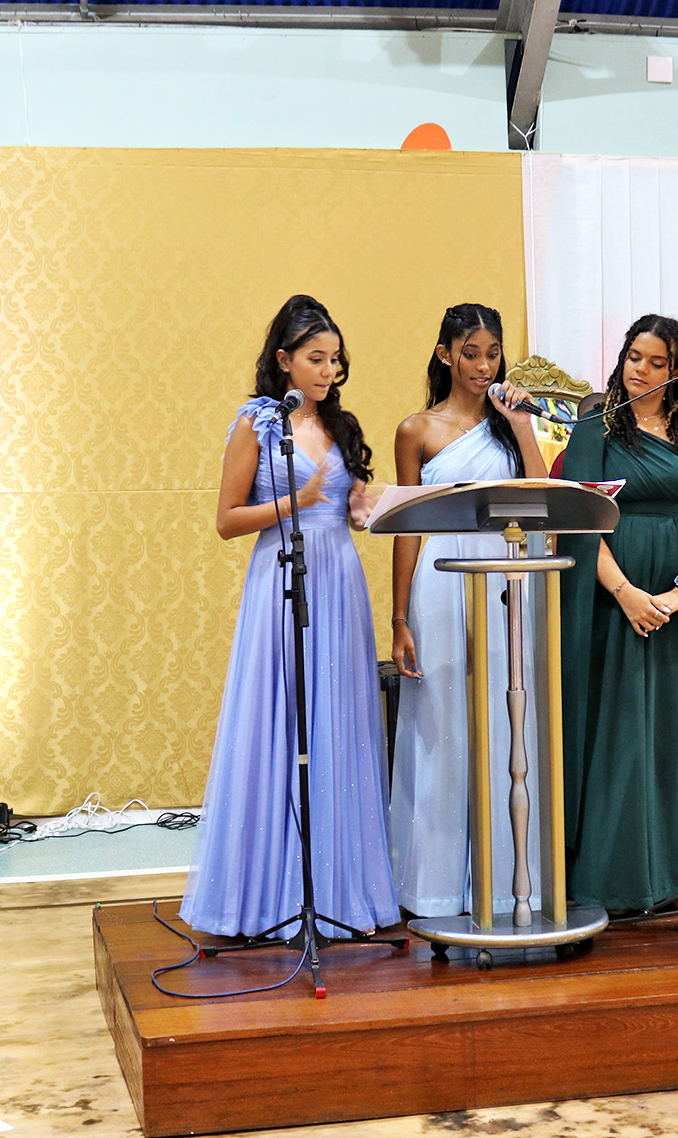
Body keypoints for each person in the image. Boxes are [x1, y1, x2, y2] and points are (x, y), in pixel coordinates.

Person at [180, 295, 400, 938]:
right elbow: (227, 521)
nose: (328, 371)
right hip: (281, 578)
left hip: (339, 582)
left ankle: (340, 889)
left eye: (335, 360)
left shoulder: (341, 426)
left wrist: (366, 508)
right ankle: (264, 895)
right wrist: (295, 501)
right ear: (284, 360)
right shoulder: (258, 423)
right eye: (315, 359)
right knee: (282, 720)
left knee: (339, 721)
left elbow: (350, 515)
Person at [388, 303, 548, 917]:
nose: (484, 366)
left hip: (507, 576)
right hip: (441, 579)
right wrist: (399, 618)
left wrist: (522, 425)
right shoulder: (416, 430)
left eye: (493, 354)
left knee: (510, 716)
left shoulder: (510, 425)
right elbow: (407, 528)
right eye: (471, 353)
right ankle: (435, 887)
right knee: (446, 724)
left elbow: (542, 496)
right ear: (445, 354)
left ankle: (509, 883)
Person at [556, 314, 678, 911]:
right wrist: (625, 593)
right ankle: (613, 877)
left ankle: (673, 874)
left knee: (673, 731)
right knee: (621, 730)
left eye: (656, 362)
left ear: (677, 372)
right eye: (634, 357)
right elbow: (578, 519)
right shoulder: (595, 423)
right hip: (611, 593)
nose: (641, 370)